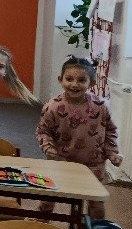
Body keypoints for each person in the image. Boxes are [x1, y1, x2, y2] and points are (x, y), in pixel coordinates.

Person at [36, 56, 121, 220]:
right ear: (60, 80)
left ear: (91, 83)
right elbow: (43, 131)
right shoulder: (52, 107)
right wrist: (48, 147)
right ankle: (41, 223)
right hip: (61, 161)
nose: (74, 84)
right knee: (48, 196)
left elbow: (110, 130)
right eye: (69, 79)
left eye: (82, 80)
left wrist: (112, 152)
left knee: (96, 203)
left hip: (94, 163)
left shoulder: (100, 106)